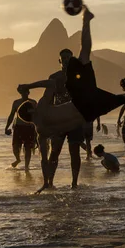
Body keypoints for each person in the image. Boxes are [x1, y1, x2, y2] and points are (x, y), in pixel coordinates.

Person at [17, 6, 125, 188]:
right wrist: (29, 86)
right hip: (83, 104)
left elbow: (43, 161)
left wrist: (43, 183)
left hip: (85, 112)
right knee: (112, 82)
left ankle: (55, 184)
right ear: (31, 109)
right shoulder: (42, 106)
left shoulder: (41, 132)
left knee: (124, 95)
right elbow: (49, 85)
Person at [46, 48, 90, 190]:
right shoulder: (54, 77)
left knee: (74, 152)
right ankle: (50, 182)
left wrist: (86, 121)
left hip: (74, 120)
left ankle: (74, 183)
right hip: (58, 121)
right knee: (54, 152)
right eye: (63, 58)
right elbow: (48, 99)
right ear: (59, 60)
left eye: (68, 58)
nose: (65, 61)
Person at [5, 90, 37, 170]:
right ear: (20, 93)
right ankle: (18, 159)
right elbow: (12, 115)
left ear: (28, 93)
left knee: (28, 148)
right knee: (15, 146)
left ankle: (26, 166)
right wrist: (6, 127)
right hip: (18, 127)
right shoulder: (16, 102)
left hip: (29, 127)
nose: (24, 94)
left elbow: (37, 115)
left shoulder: (33, 102)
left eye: (26, 92)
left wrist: (38, 128)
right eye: (23, 92)